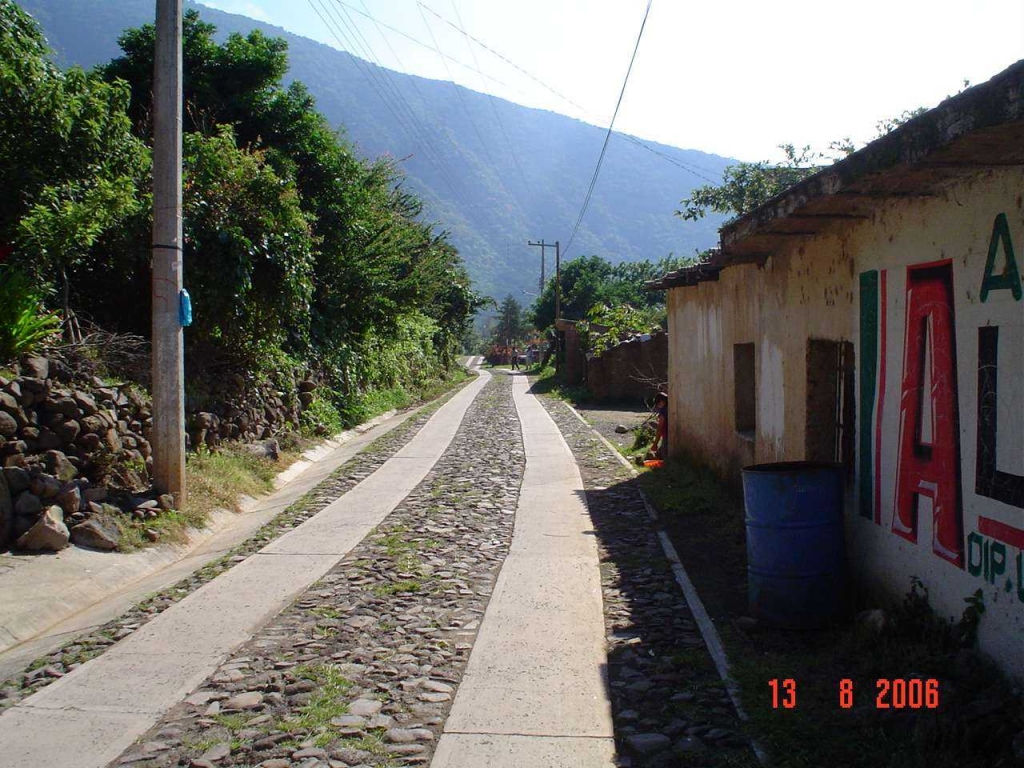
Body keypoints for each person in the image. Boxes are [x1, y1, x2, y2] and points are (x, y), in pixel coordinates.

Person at [650, 391, 668, 459]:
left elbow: (660, 428)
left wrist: (655, 444)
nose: (658, 407)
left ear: (661, 402)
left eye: (658, 404)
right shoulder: (670, 408)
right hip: (670, 434)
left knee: (664, 455)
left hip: (667, 435)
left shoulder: (663, 411)